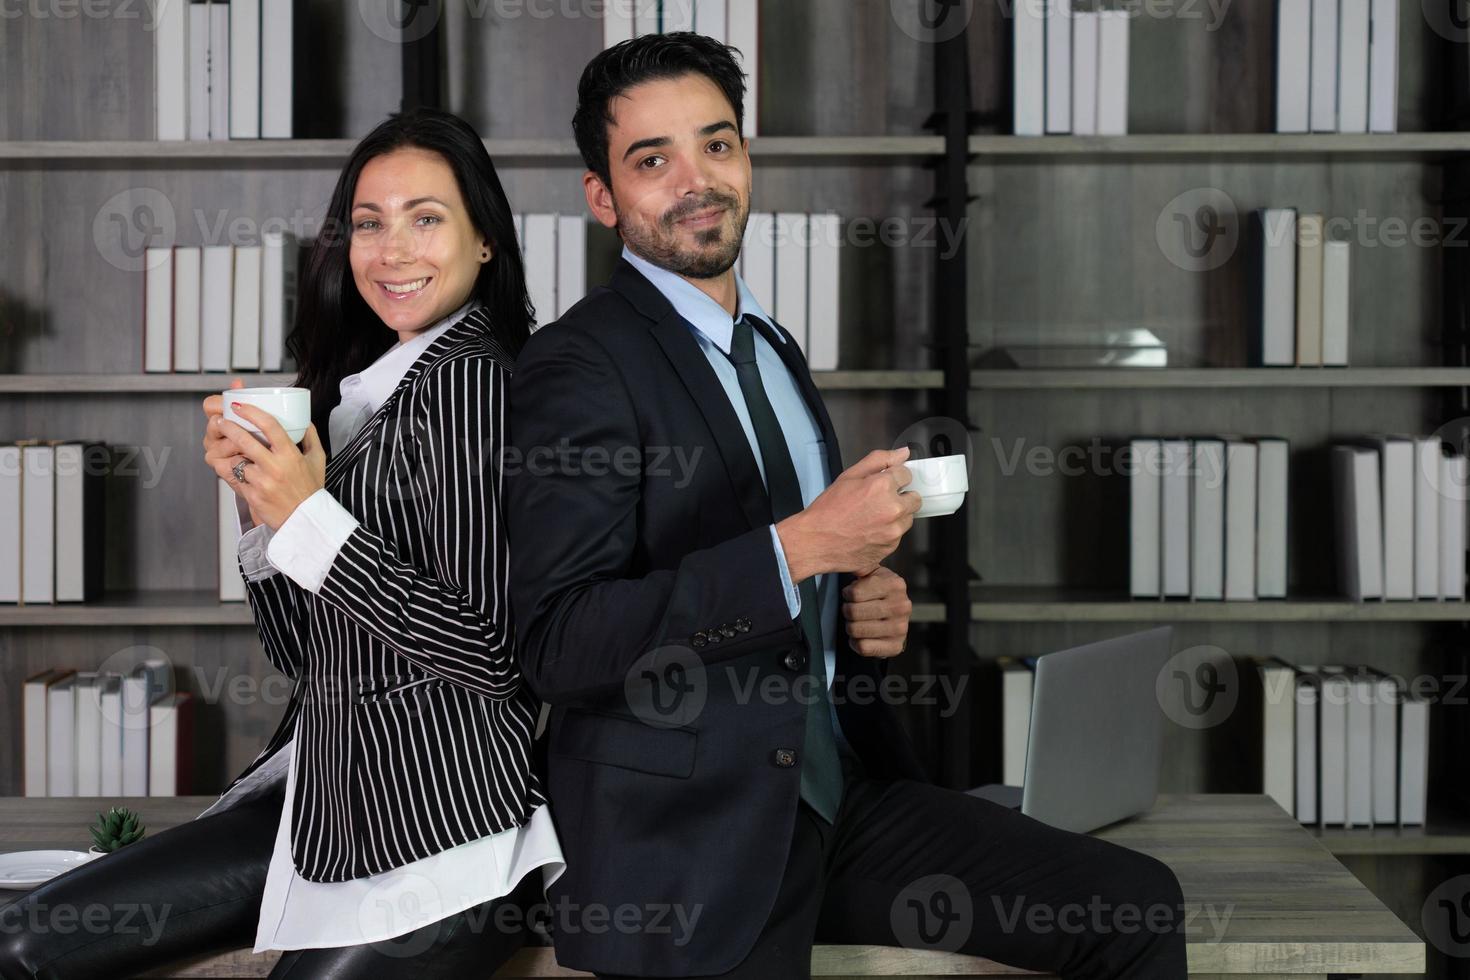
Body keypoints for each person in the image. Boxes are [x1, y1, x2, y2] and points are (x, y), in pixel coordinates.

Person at [504, 33, 1187, 980]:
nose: (696, 180)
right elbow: (558, 640)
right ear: (601, 196)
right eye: (651, 160)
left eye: (717, 144)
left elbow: (797, 575)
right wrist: (796, 551)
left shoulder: (773, 348)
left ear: (746, 157)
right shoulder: (578, 366)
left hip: (832, 793)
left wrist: (855, 601)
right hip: (686, 843)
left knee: (1135, 906)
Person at [0, 108, 562, 980]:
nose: (392, 249)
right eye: (369, 223)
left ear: (485, 241)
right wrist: (265, 514)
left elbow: (491, 651)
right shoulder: (365, 396)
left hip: (441, 833)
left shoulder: (471, 386)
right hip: (324, 799)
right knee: (23, 940)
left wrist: (310, 519)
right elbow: (307, 650)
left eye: (427, 218)